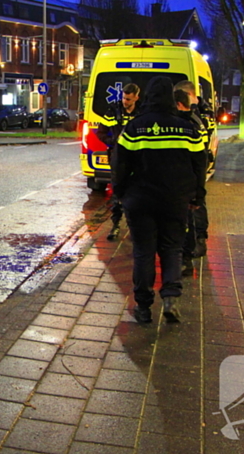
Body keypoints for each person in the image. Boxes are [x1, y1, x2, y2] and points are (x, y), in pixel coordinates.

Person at [113, 76, 205, 324]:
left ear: (147, 97)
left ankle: (143, 307)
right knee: (171, 249)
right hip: (175, 200)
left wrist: (121, 194)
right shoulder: (187, 128)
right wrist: (197, 195)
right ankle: (171, 298)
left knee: (144, 252)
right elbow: (199, 164)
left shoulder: (135, 128)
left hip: (140, 200)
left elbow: (119, 164)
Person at [173, 80, 214, 259]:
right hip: (195, 161)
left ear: (188, 95)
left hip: (195, 163)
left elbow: (204, 139)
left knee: (197, 204)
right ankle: (193, 243)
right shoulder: (200, 112)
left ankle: (199, 240)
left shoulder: (199, 113)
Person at [96, 82, 141, 241]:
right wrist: (112, 141)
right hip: (118, 158)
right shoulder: (113, 112)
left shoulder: (141, 113)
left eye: (129, 99)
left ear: (136, 97)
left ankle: (134, 227)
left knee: (137, 193)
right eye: (124, 98)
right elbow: (100, 133)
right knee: (117, 192)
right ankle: (115, 225)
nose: (125, 102)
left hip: (137, 159)